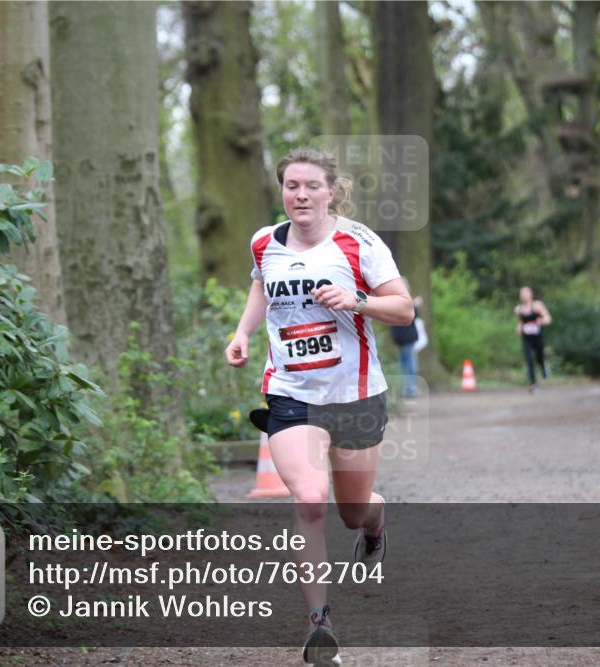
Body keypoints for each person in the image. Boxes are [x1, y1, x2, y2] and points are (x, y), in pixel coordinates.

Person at [225, 148, 413, 666]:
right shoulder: (264, 241)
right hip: (291, 393)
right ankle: (318, 624)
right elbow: (261, 288)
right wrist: (242, 333)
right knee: (309, 498)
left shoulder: (359, 242)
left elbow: (402, 307)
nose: (300, 195)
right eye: (291, 186)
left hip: (354, 397)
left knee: (352, 513)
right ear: (281, 190)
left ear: (332, 191)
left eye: (311, 186)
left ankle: (376, 522)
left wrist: (355, 301)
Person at [514, 286, 552, 393]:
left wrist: (541, 321)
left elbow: (548, 318)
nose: (523, 295)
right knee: (529, 360)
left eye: (525, 293)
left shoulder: (537, 305)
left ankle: (544, 367)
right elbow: (521, 322)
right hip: (526, 338)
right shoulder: (518, 309)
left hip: (537, 337)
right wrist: (519, 328)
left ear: (531, 294)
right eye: (521, 293)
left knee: (539, 357)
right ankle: (533, 384)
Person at [390, 282, 423, 399]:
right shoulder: (405, 302)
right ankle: (410, 388)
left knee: (404, 364)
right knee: (410, 364)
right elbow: (412, 315)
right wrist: (416, 305)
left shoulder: (391, 300)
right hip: (407, 337)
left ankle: (407, 388)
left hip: (399, 338)